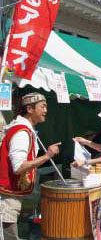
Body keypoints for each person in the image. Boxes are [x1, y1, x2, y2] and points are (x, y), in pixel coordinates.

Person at [0, 92, 60, 240]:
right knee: (9, 235)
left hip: (11, 193)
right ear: (29, 109)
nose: (46, 110)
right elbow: (19, 167)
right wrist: (47, 156)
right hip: (6, 196)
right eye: (43, 106)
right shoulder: (21, 132)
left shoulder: (26, 130)